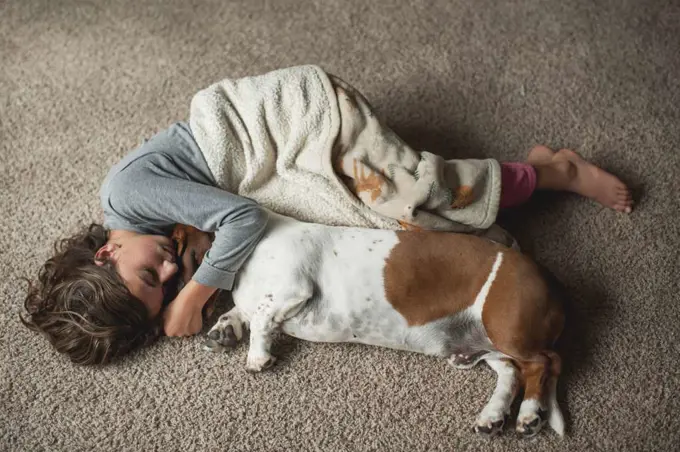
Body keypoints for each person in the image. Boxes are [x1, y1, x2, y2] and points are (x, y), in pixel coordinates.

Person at [21, 68, 632, 366]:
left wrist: (191, 299)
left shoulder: (130, 192)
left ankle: (553, 173)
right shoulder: (147, 236)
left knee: (416, 199)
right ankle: (525, 179)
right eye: (167, 286)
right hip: (270, 170)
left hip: (296, 122)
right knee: (384, 243)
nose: (168, 266)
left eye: (151, 275)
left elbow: (241, 218)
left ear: (106, 251)